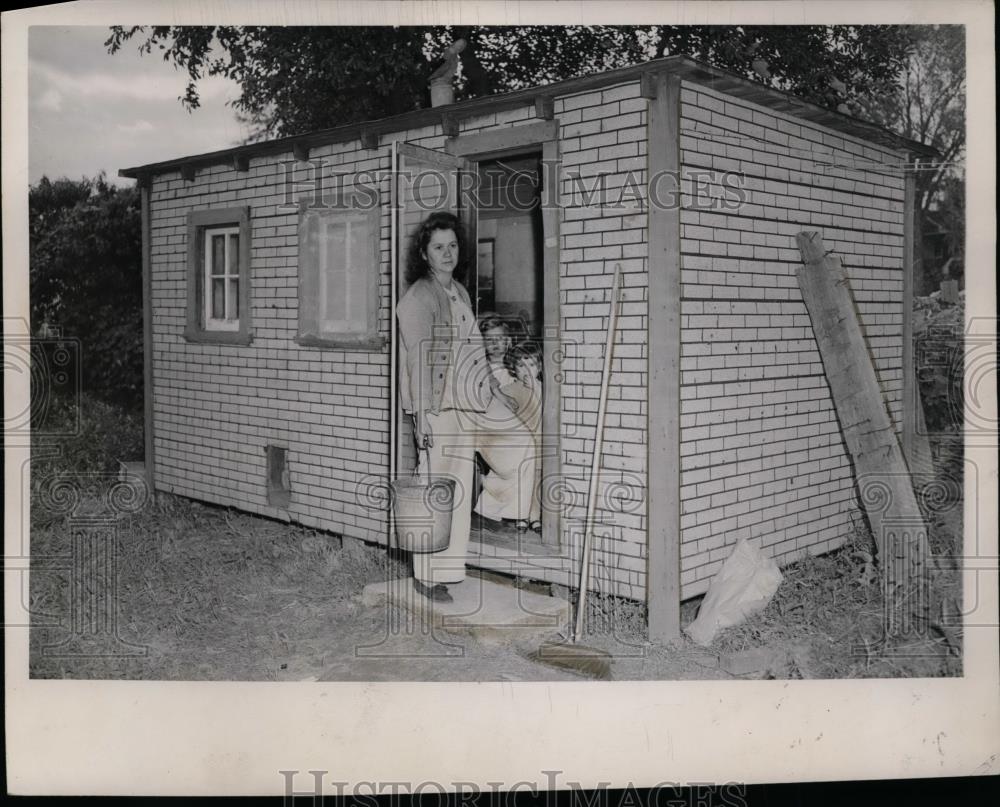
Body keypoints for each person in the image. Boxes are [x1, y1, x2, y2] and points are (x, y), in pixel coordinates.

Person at [395, 211, 532, 603]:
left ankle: (461, 553)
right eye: (438, 247)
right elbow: (418, 360)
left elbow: (471, 348)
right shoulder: (418, 297)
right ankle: (428, 573)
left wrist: (494, 387)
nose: (447, 253)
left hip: (469, 402)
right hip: (439, 406)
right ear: (424, 253)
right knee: (439, 488)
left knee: (499, 456)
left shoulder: (457, 291)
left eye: (452, 245)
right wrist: (421, 415)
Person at [498, 341, 544, 533]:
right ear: (513, 368)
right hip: (520, 445)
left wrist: (536, 388)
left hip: (540, 440)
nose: (527, 371)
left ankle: (535, 516)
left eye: (532, 365)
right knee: (522, 480)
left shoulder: (544, 388)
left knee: (538, 480)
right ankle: (521, 515)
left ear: (539, 367)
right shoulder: (510, 390)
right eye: (521, 365)